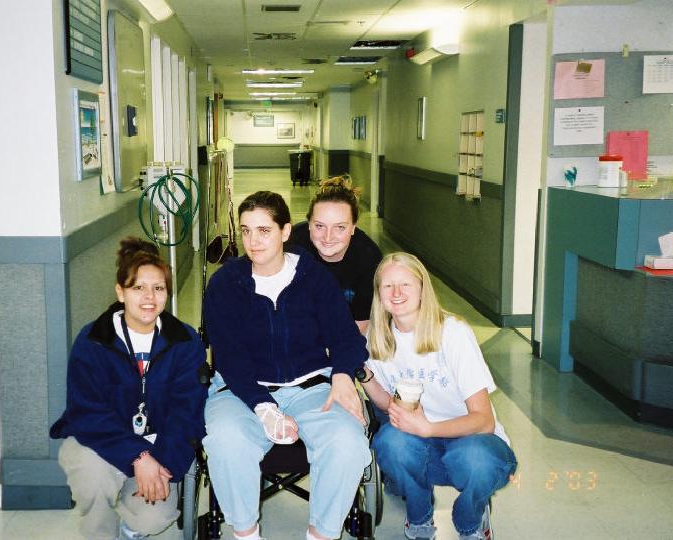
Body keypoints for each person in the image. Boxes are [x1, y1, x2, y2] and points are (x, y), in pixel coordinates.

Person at [202, 191, 371, 540]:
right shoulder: (224, 285)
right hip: (241, 390)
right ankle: (246, 534)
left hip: (310, 387)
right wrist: (263, 407)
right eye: (246, 230)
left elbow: (346, 337)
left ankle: (321, 534)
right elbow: (229, 357)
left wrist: (341, 375)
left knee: (348, 441)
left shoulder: (313, 278)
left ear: (285, 232)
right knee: (226, 439)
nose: (253, 241)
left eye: (264, 230)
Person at [50, 238, 207, 540]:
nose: (149, 298)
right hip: (99, 443)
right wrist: (137, 457)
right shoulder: (93, 341)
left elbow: (187, 414)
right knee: (92, 479)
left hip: (160, 446)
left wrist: (161, 465)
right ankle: (101, 534)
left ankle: (131, 530)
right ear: (120, 292)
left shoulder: (185, 343)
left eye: (158, 288)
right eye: (138, 288)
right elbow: (86, 413)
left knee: (154, 518)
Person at [358, 252, 517, 540]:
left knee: (480, 462)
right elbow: (388, 403)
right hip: (422, 444)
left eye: (405, 284)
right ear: (378, 294)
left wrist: (428, 427)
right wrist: (364, 374)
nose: (396, 293)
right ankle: (419, 519)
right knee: (390, 443)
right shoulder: (377, 339)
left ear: (422, 289)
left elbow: (483, 421)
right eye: (387, 286)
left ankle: (470, 519)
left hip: (472, 440)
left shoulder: (452, 333)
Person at [287, 175, 382, 334]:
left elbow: (360, 325)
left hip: (344, 335)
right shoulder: (292, 245)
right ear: (309, 224)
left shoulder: (369, 259)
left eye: (340, 227)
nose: (328, 237)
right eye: (319, 226)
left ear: (353, 228)